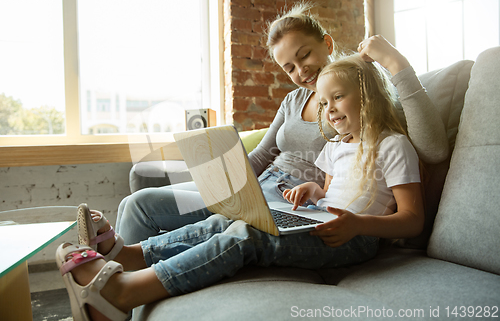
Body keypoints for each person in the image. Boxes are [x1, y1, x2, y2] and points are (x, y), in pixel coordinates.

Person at [57, 52, 424, 321]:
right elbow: (330, 192)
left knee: (247, 235)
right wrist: (314, 194)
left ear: (370, 95)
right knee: (225, 222)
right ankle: (131, 255)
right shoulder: (336, 146)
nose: (328, 110)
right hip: (320, 221)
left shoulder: (393, 145)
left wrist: (359, 224)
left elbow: (412, 219)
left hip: (355, 241)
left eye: (337, 98)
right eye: (325, 102)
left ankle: (122, 294)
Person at [114, 2, 447, 245]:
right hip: (257, 185)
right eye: (289, 67)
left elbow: (432, 148)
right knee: (138, 205)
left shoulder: (358, 101)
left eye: (304, 55)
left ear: (326, 44)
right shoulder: (293, 101)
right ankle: (112, 290)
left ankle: (115, 287)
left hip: (288, 196)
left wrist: (396, 63)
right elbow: (262, 155)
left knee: (184, 224)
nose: (300, 71)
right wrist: (221, 178)